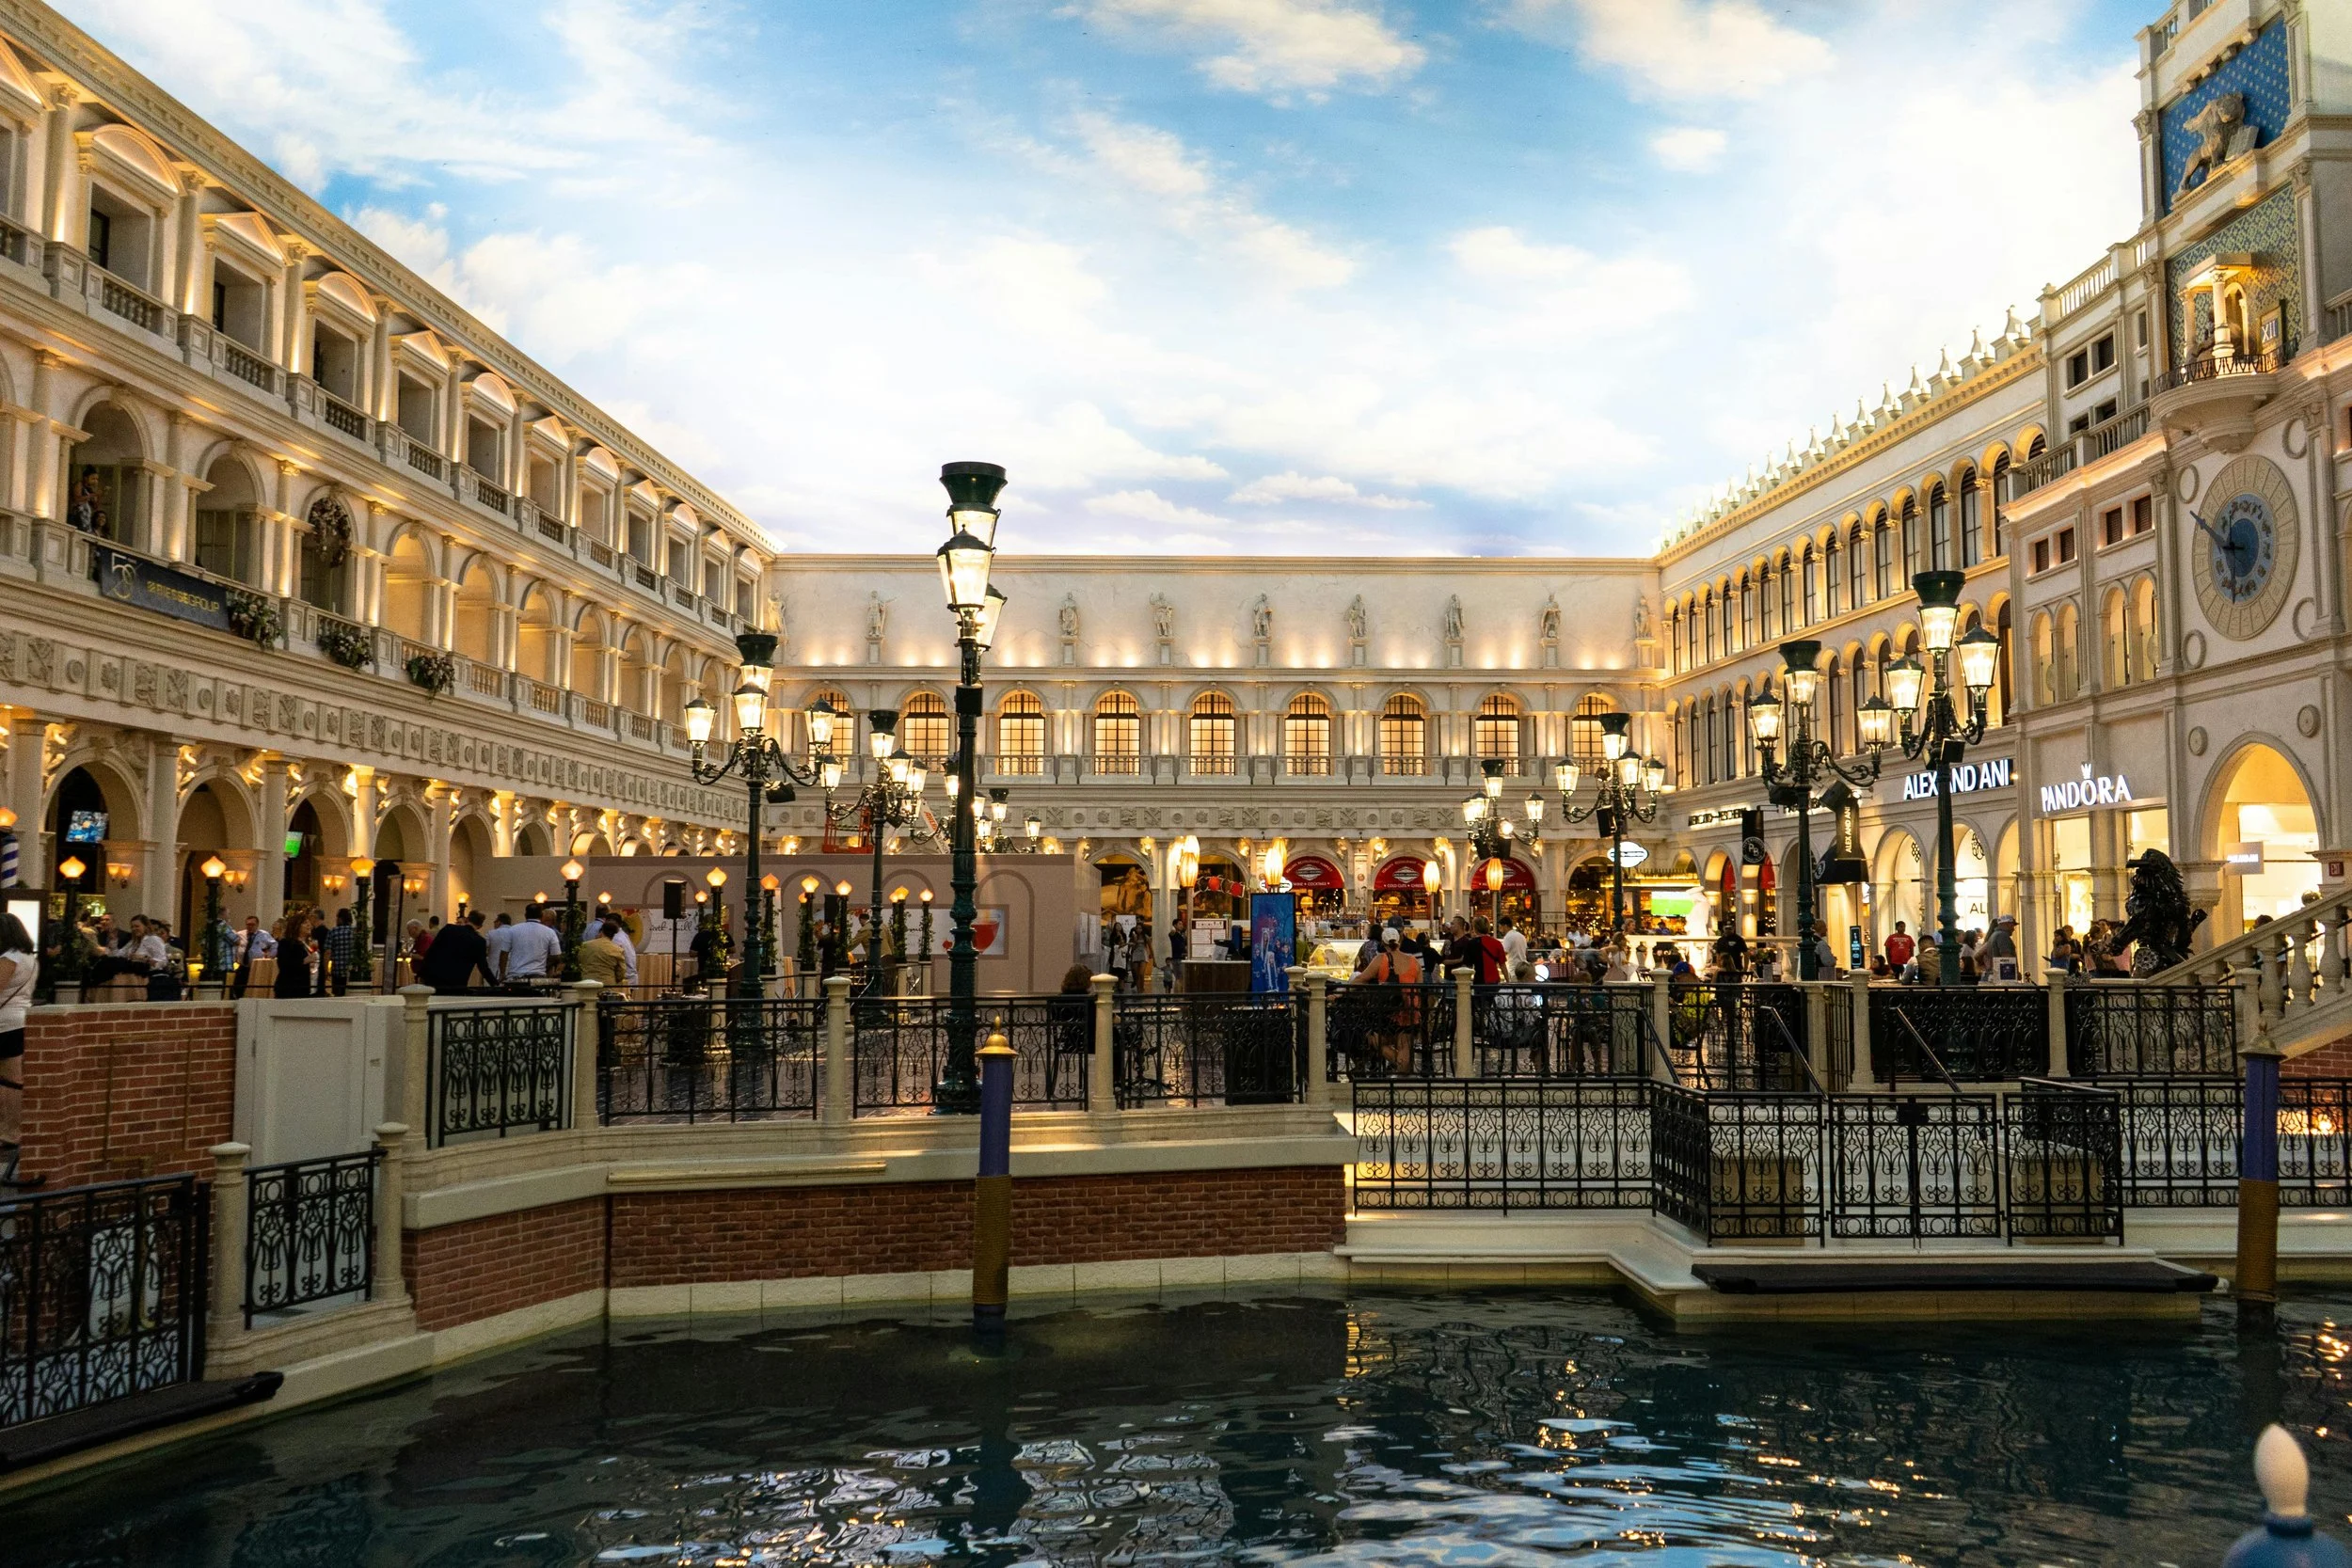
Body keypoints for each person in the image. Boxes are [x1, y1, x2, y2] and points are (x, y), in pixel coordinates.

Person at [0, 912, 40, 1189]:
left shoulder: (10, 958)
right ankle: (12, 1130)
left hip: (3, 1023)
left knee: (9, 1081)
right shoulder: (30, 958)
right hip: (19, 1020)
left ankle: (9, 1130)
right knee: (14, 1078)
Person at [418, 909, 496, 994]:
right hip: (457, 984)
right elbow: (483, 967)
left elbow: (431, 952)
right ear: (480, 926)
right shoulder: (479, 941)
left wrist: (422, 974)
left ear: (466, 919)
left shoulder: (448, 929)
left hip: (434, 980)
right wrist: (495, 984)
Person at [505, 901, 565, 984]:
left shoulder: (512, 930)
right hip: (538, 976)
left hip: (515, 975)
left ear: (525, 915)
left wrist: (502, 973)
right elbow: (556, 955)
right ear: (541, 916)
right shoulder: (549, 932)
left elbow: (504, 953)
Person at [230, 914, 276, 999]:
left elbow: (274, 945)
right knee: (237, 987)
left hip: (256, 967)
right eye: (248, 924)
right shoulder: (241, 934)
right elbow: (234, 945)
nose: (249, 927)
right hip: (243, 966)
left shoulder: (264, 935)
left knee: (254, 988)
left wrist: (270, 956)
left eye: (252, 925)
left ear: (257, 925)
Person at [272, 915, 314, 998]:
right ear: (296, 926)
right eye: (305, 923)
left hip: (306, 987)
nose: (309, 925)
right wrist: (304, 961)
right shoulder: (286, 943)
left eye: (309, 923)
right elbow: (284, 965)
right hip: (290, 988)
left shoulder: (308, 943)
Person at [577, 922, 628, 989]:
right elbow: (622, 971)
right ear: (613, 934)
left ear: (601, 931)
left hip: (587, 983)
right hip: (607, 984)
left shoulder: (586, 945)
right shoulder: (617, 949)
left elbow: (580, 961)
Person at [320, 908, 356, 995]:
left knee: (338, 995)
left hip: (337, 970)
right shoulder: (354, 932)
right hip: (351, 970)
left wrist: (325, 971)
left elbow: (327, 952)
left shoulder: (333, 932)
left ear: (340, 919)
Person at [484, 911, 516, 982]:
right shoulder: (515, 933)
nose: (494, 923)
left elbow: (483, 946)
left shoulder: (491, 933)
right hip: (512, 969)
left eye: (495, 921)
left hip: (493, 969)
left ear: (499, 922)